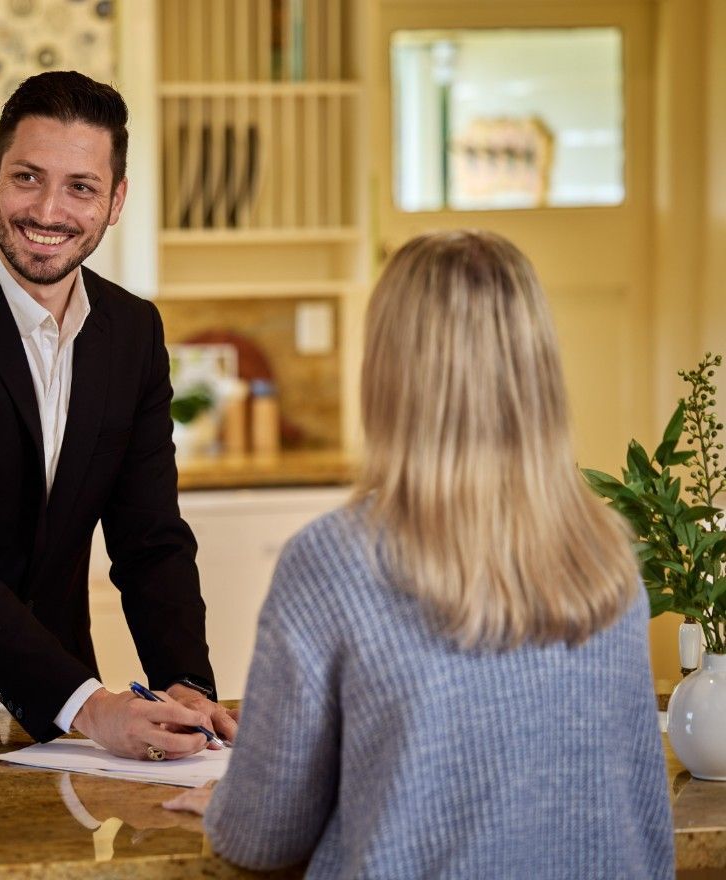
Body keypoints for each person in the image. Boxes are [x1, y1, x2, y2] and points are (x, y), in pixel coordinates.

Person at [165, 231, 675, 878]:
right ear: (539, 368)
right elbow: (645, 823)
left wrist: (226, 806)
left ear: (387, 371)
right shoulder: (608, 555)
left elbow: (263, 837)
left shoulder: (334, 561)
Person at [0, 71, 236, 760]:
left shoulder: (133, 331)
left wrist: (183, 682)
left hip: (62, 730)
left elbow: (150, 538)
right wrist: (91, 706)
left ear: (116, 200)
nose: (48, 210)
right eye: (28, 177)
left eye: (81, 187)